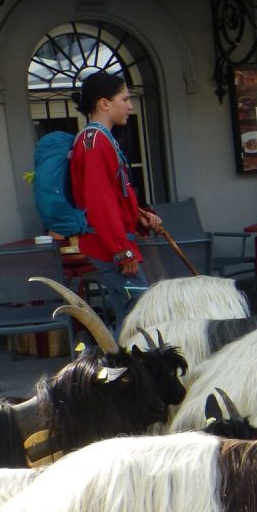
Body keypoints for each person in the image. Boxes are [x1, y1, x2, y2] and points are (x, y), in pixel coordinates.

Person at [69, 73, 162, 325]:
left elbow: (115, 195)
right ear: (104, 103)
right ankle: (122, 363)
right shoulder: (95, 143)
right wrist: (123, 252)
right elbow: (100, 202)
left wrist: (140, 215)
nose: (130, 106)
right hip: (109, 246)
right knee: (141, 315)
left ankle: (121, 363)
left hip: (111, 242)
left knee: (129, 315)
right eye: (125, 98)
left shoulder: (101, 139)